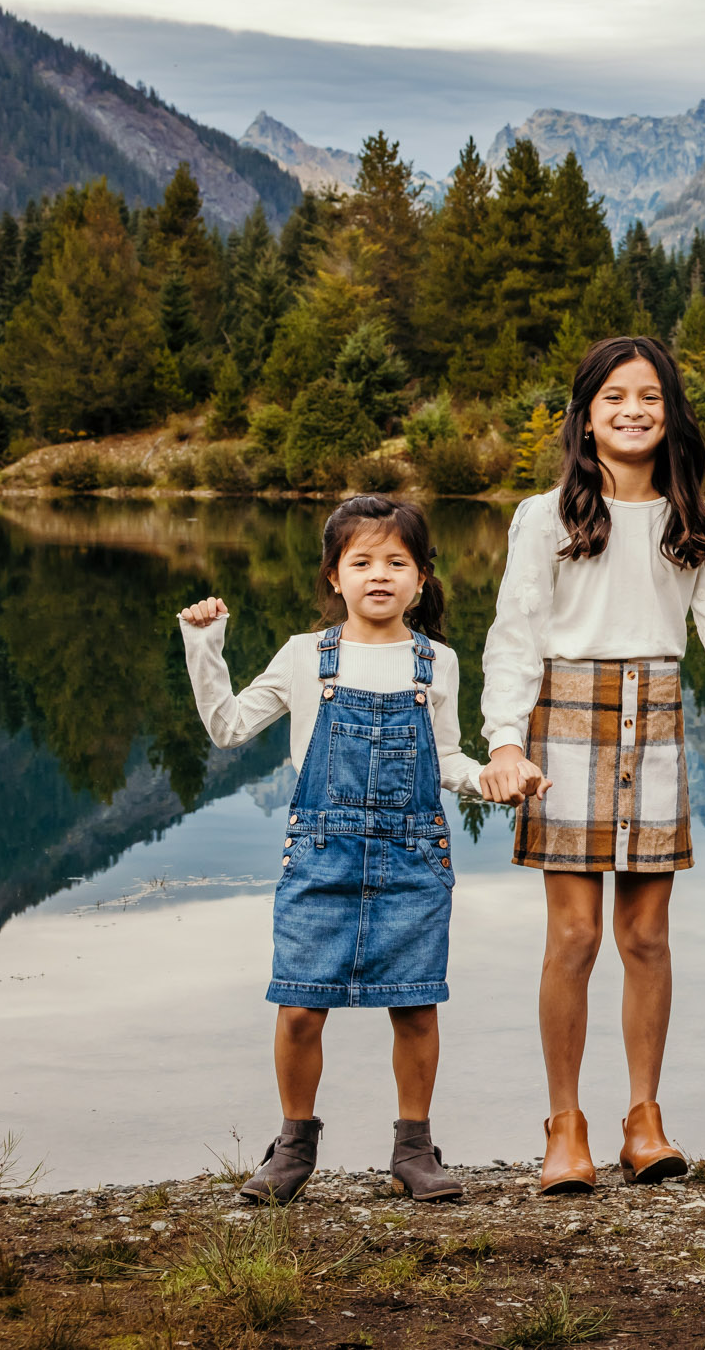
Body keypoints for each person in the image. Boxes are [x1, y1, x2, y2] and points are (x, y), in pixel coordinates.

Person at [477, 336, 705, 1194]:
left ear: (671, 410)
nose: (633, 409)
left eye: (649, 395)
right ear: (586, 413)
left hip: (655, 715)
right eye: (614, 396)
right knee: (574, 936)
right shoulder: (546, 517)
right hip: (564, 719)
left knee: (646, 936)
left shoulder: (701, 520)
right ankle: (564, 1124)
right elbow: (514, 634)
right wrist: (506, 738)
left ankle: (642, 1120)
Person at [177, 495, 482, 1206]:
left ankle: (414, 1147)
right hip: (320, 856)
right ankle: (293, 1145)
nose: (381, 575)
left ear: (422, 578)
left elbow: (448, 759)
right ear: (334, 576)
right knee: (299, 1006)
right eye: (362, 561)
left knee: (415, 1005)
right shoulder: (303, 656)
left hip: (412, 858)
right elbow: (226, 727)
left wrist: (494, 777)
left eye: (397, 562)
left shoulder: (437, 662)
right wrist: (205, 643)